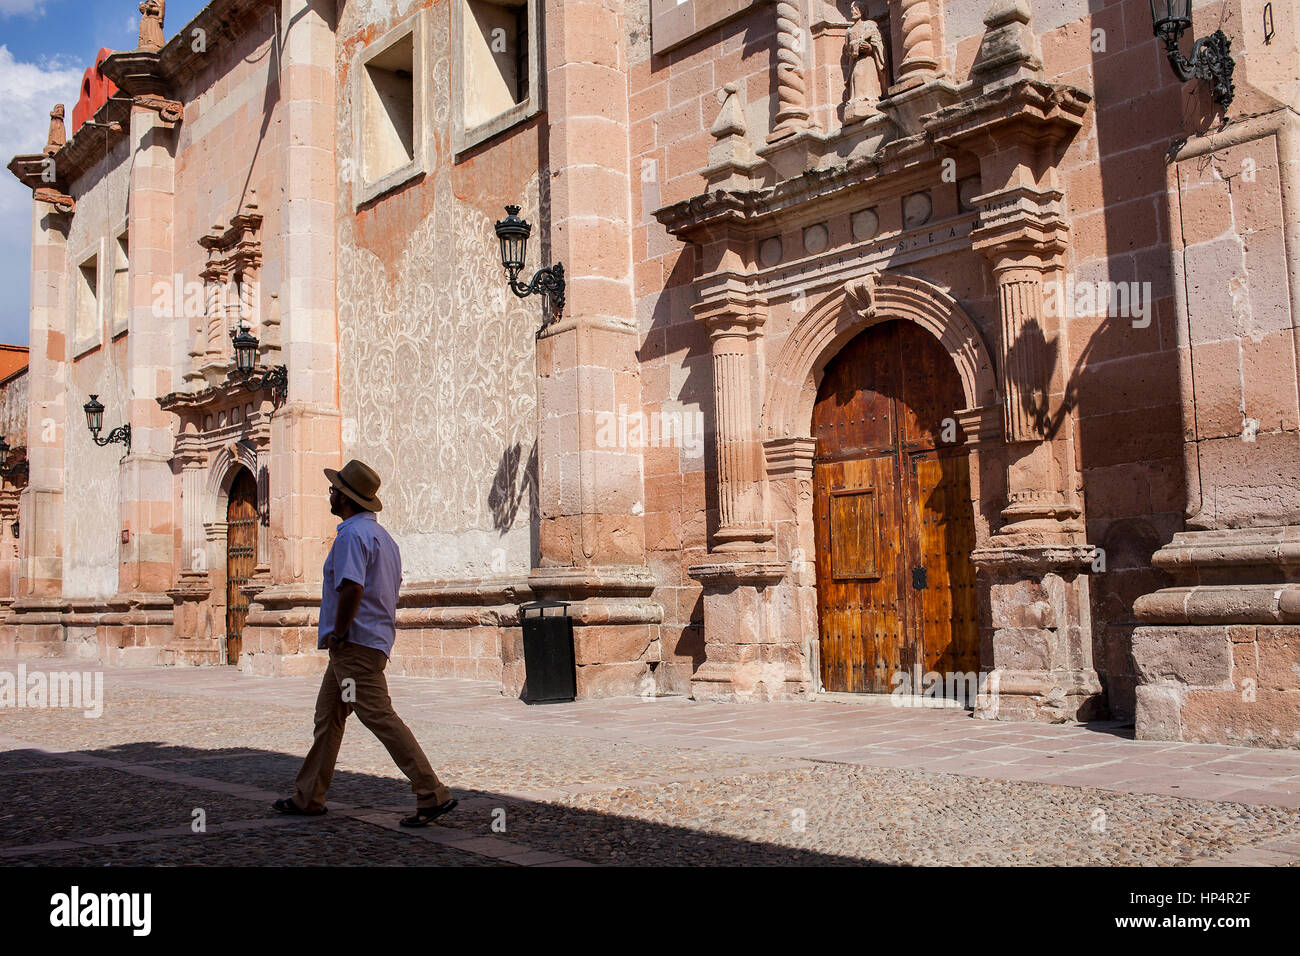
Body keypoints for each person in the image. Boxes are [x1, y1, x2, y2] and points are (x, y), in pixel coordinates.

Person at [274, 459, 457, 827]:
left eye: (333, 490)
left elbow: (352, 587)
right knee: (329, 717)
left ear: (344, 499)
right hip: (367, 642)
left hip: (354, 644)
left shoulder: (350, 536)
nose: (329, 494)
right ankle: (309, 796)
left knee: (378, 716)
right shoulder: (383, 538)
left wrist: (340, 632)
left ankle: (431, 791)